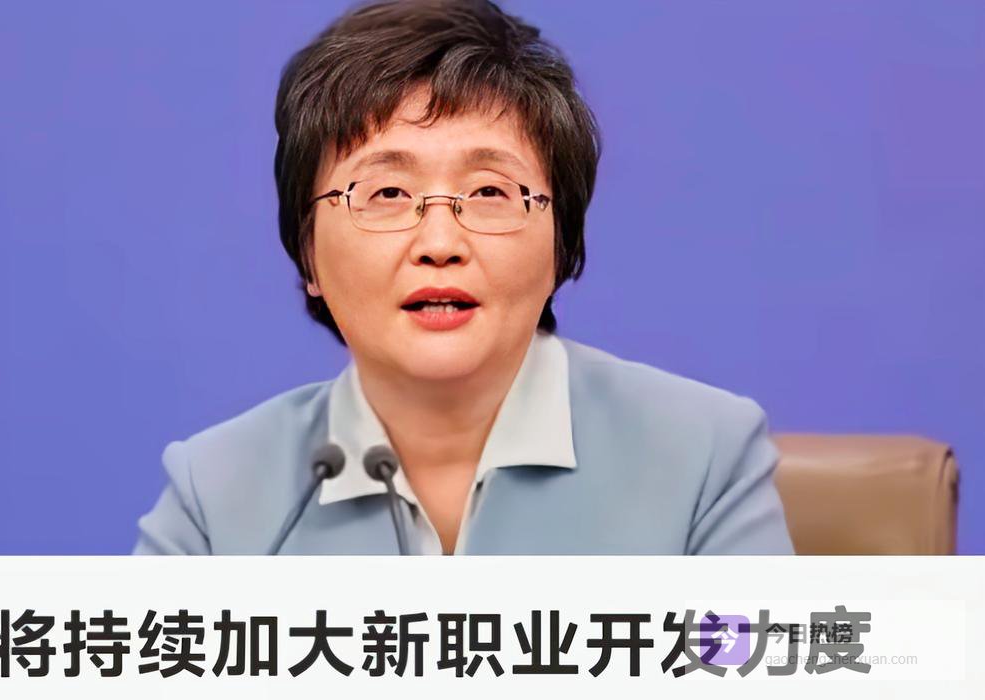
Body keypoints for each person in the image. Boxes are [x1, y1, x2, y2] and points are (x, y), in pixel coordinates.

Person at [132, 0, 794, 555]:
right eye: (387, 194)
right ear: (308, 254)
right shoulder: (216, 495)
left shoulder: (702, 456)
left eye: (489, 192)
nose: (441, 244)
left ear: (561, 243)